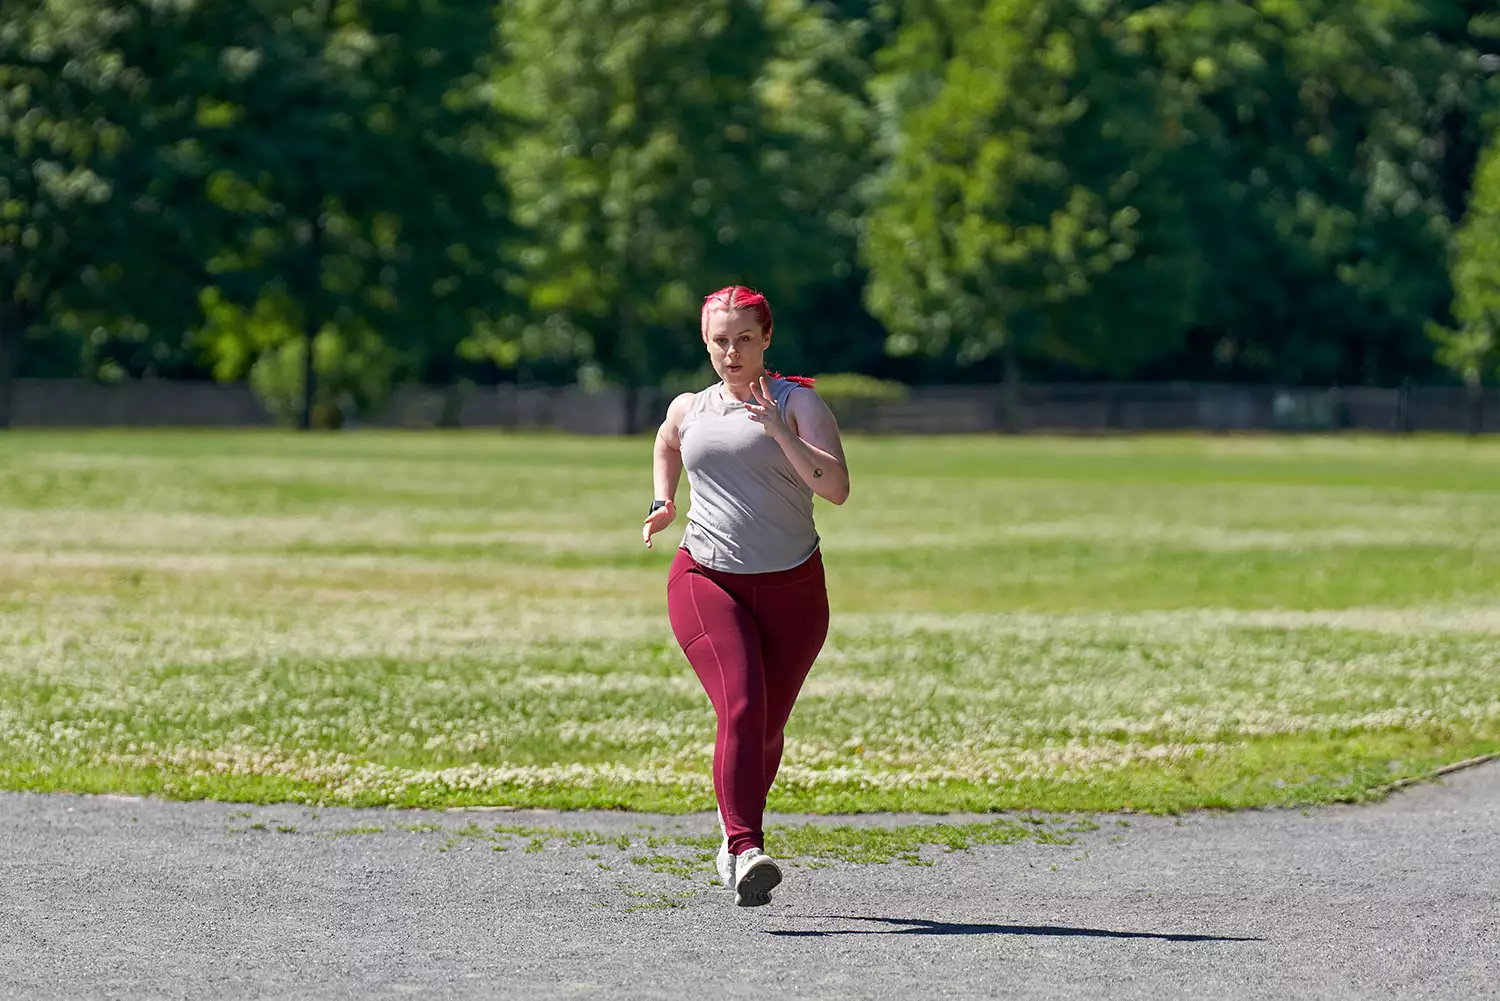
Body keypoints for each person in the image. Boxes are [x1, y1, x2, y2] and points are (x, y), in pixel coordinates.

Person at [641, 284, 851, 907]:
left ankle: (734, 839)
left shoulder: (799, 403)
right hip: (708, 577)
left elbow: (836, 489)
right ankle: (744, 846)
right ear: (706, 342)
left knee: (766, 728)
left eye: (744, 340)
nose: (731, 353)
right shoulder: (690, 406)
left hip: (794, 587)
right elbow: (666, 442)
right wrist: (663, 500)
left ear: (766, 340)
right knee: (742, 707)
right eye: (719, 341)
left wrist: (778, 430)